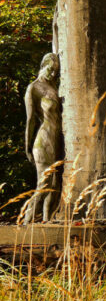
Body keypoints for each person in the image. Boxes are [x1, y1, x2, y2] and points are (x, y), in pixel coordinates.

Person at [23, 53, 61, 223]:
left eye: (56, 72)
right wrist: (27, 145)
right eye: (51, 70)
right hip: (43, 140)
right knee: (43, 184)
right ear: (43, 65)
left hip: (57, 140)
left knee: (54, 185)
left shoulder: (54, 88)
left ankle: (47, 220)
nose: (53, 74)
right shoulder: (34, 88)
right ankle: (25, 221)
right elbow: (30, 120)